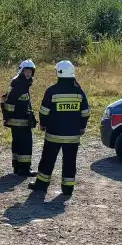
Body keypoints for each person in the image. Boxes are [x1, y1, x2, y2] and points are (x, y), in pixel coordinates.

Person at [30, 60, 90, 197]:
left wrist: (43, 124)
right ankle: (68, 189)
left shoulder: (52, 91)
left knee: (47, 160)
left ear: (59, 73)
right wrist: (82, 126)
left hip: (54, 135)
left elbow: (44, 111)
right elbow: (85, 113)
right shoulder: (79, 92)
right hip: (73, 136)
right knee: (70, 162)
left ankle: (41, 185)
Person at [1, 59, 37, 176]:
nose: (28, 74)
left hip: (16, 121)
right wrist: (8, 116)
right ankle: (25, 169)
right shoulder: (21, 84)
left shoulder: (18, 82)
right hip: (21, 121)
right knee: (25, 144)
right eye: (26, 71)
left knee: (17, 143)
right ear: (21, 71)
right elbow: (10, 102)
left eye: (30, 72)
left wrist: (8, 118)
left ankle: (17, 167)